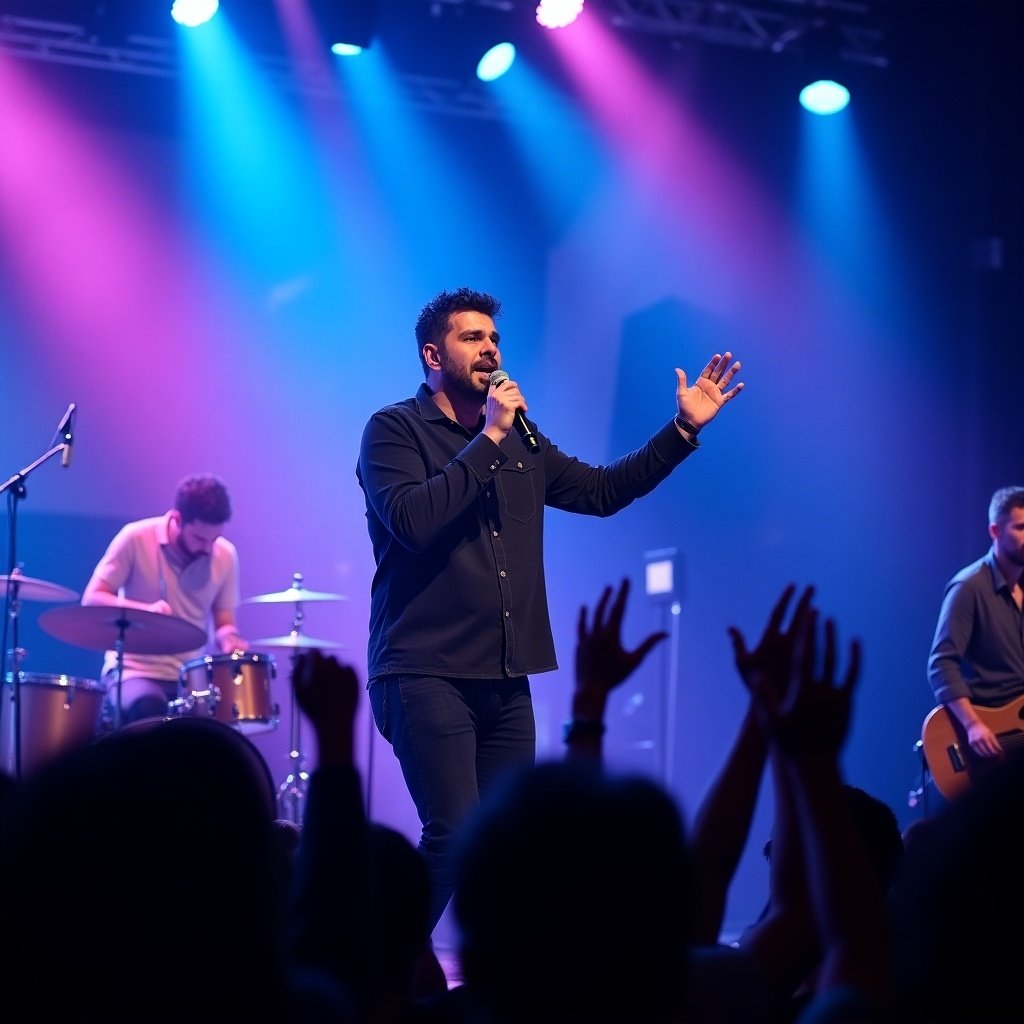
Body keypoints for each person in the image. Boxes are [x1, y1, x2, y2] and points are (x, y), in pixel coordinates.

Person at [356, 285, 744, 935]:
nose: (489, 349)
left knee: (512, 850)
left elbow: (600, 491)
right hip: (425, 668)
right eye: (472, 338)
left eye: (495, 339)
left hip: (506, 676)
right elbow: (413, 523)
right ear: (432, 354)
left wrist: (681, 431)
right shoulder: (395, 430)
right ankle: (374, 975)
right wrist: (492, 436)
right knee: (453, 837)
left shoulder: (519, 439)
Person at [81, 473, 249, 727]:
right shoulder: (135, 537)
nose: (207, 548)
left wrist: (230, 639)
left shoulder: (225, 554)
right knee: (150, 709)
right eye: (200, 538)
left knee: (218, 728)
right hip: (132, 671)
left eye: (213, 539)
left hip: (190, 676)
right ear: (177, 519)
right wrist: (146, 612)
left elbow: (224, 621)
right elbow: (93, 598)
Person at [925, 485, 1024, 798]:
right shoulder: (969, 586)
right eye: (1021, 527)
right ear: (995, 530)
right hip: (987, 738)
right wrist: (973, 725)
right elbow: (941, 663)